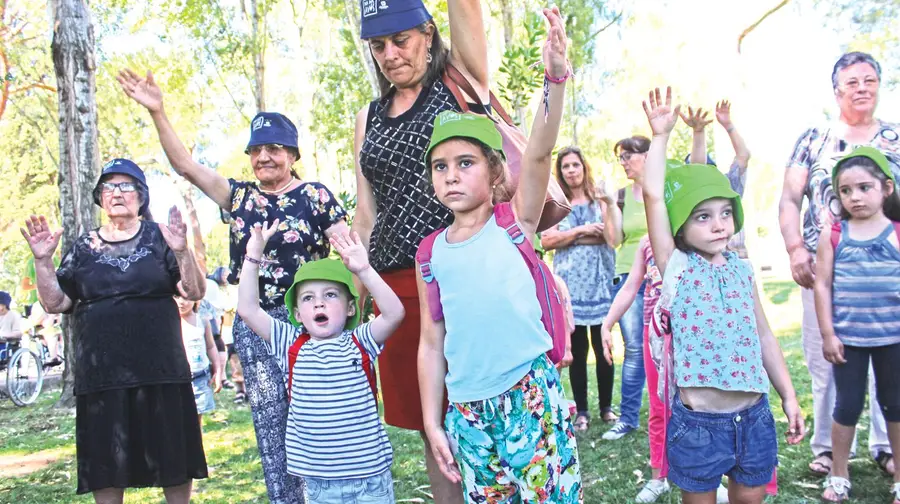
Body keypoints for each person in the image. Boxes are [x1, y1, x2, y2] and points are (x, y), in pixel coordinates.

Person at [118, 71, 349, 503]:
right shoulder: (239, 198)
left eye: (274, 148)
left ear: (292, 154)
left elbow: (350, 255)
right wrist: (158, 111)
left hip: (311, 325)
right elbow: (184, 166)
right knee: (272, 424)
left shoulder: (317, 196)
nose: (264, 157)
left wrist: (350, 313)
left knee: (319, 417)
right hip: (256, 324)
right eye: (256, 150)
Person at [416, 9, 582, 502]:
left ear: (493, 173)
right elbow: (431, 340)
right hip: (466, 412)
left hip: (529, 398)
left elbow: (536, 153)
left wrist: (554, 77)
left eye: (465, 163)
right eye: (440, 166)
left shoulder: (516, 223)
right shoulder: (431, 252)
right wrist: (432, 419)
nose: (450, 174)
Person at [351, 0, 491, 500]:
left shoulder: (458, 85)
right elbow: (367, 213)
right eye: (378, 45)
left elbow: (469, 12)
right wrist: (358, 286)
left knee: (489, 408)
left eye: (401, 40)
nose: (390, 54)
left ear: (429, 35)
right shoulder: (369, 116)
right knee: (434, 428)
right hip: (397, 287)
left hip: (465, 275)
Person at [641, 87, 805, 504]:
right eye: (703, 216)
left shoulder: (742, 269)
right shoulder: (676, 266)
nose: (719, 225)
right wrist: (660, 137)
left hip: (754, 418)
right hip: (699, 426)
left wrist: (788, 395)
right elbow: (654, 196)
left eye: (725, 213)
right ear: (680, 228)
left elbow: (766, 336)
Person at [21, 158, 207, 502]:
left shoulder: (161, 237)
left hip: (161, 370)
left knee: (174, 458)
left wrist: (183, 252)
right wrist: (43, 262)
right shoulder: (83, 246)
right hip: (101, 374)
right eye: (108, 187)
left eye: (126, 186)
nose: (116, 193)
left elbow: (194, 292)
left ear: (141, 196)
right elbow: (56, 303)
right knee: (105, 463)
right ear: (100, 197)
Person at [779, 51, 896, 477]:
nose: (862, 88)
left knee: (891, 359)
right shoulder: (815, 137)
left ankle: (885, 446)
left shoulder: (896, 138)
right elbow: (791, 199)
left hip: (887, 274)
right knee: (826, 358)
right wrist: (795, 249)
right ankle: (827, 447)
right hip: (824, 268)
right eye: (852, 82)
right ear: (836, 91)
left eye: (869, 80)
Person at [237, 221, 404, 504]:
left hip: (369, 480)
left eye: (330, 295)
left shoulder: (360, 341)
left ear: (351, 307)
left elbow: (394, 313)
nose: (319, 304)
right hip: (319, 484)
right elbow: (248, 309)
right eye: (308, 298)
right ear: (298, 314)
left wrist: (364, 270)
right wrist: (252, 258)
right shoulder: (289, 343)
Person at [812, 147, 900, 502]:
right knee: (846, 406)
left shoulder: (896, 233)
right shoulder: (834, 234)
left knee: (895, 405)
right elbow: (822, 284)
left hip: (894, 338)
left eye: (864, 188)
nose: (854, 197)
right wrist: (829, 333)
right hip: (848, 339)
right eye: (845, 191)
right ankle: (838, 475)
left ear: (886, 188)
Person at [540, 146, 620, 431]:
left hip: (599, 282)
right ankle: (582, 411)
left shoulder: (600, 201)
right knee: (577, 350)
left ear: (584, 167)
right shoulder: (555, 204)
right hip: (570, 287)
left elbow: (611, 238)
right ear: (559, 172)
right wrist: (583, 231)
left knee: (604, 348)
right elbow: (547, 241)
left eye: (575, 165)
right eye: (565, 166)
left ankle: (607, 407)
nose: (571, 170)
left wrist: (568, 236)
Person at [605, 133, 651, 441]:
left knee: (670, 348)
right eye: (620, 157)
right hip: (627, 277)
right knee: (634, 349)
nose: (623, 163)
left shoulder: (665, 190)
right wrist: (609, 203)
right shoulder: (621, 195)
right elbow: (613, 239)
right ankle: (628, 418)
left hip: (661, 276)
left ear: (647, 156)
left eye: (628, 156)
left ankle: (680, 410)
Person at [176, 295, 222, 424]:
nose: (181, 301)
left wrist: (218, 370)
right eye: (176, 296)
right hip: (178, 380)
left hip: (200, 377)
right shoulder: (169, 322)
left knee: (196, 422)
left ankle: (197, 443)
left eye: (186, 297)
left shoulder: (202, 320)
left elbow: (211, 346)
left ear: (196, 299)